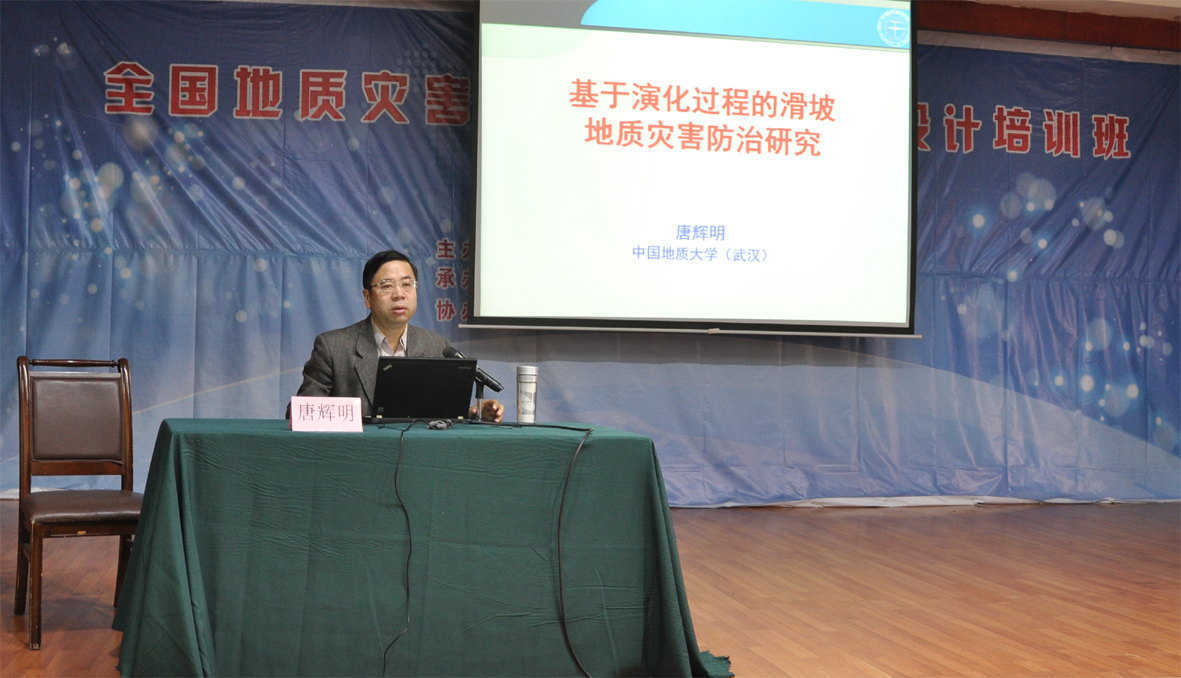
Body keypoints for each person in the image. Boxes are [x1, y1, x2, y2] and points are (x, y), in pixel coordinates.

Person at [296, 249, 504, 422]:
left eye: (407, 284)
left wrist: (472, 412)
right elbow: (302, 413)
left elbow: (437, 412)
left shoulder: (437, 346)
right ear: (367, 297)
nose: (399, 294)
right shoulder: (333, 347)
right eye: (387, 286)